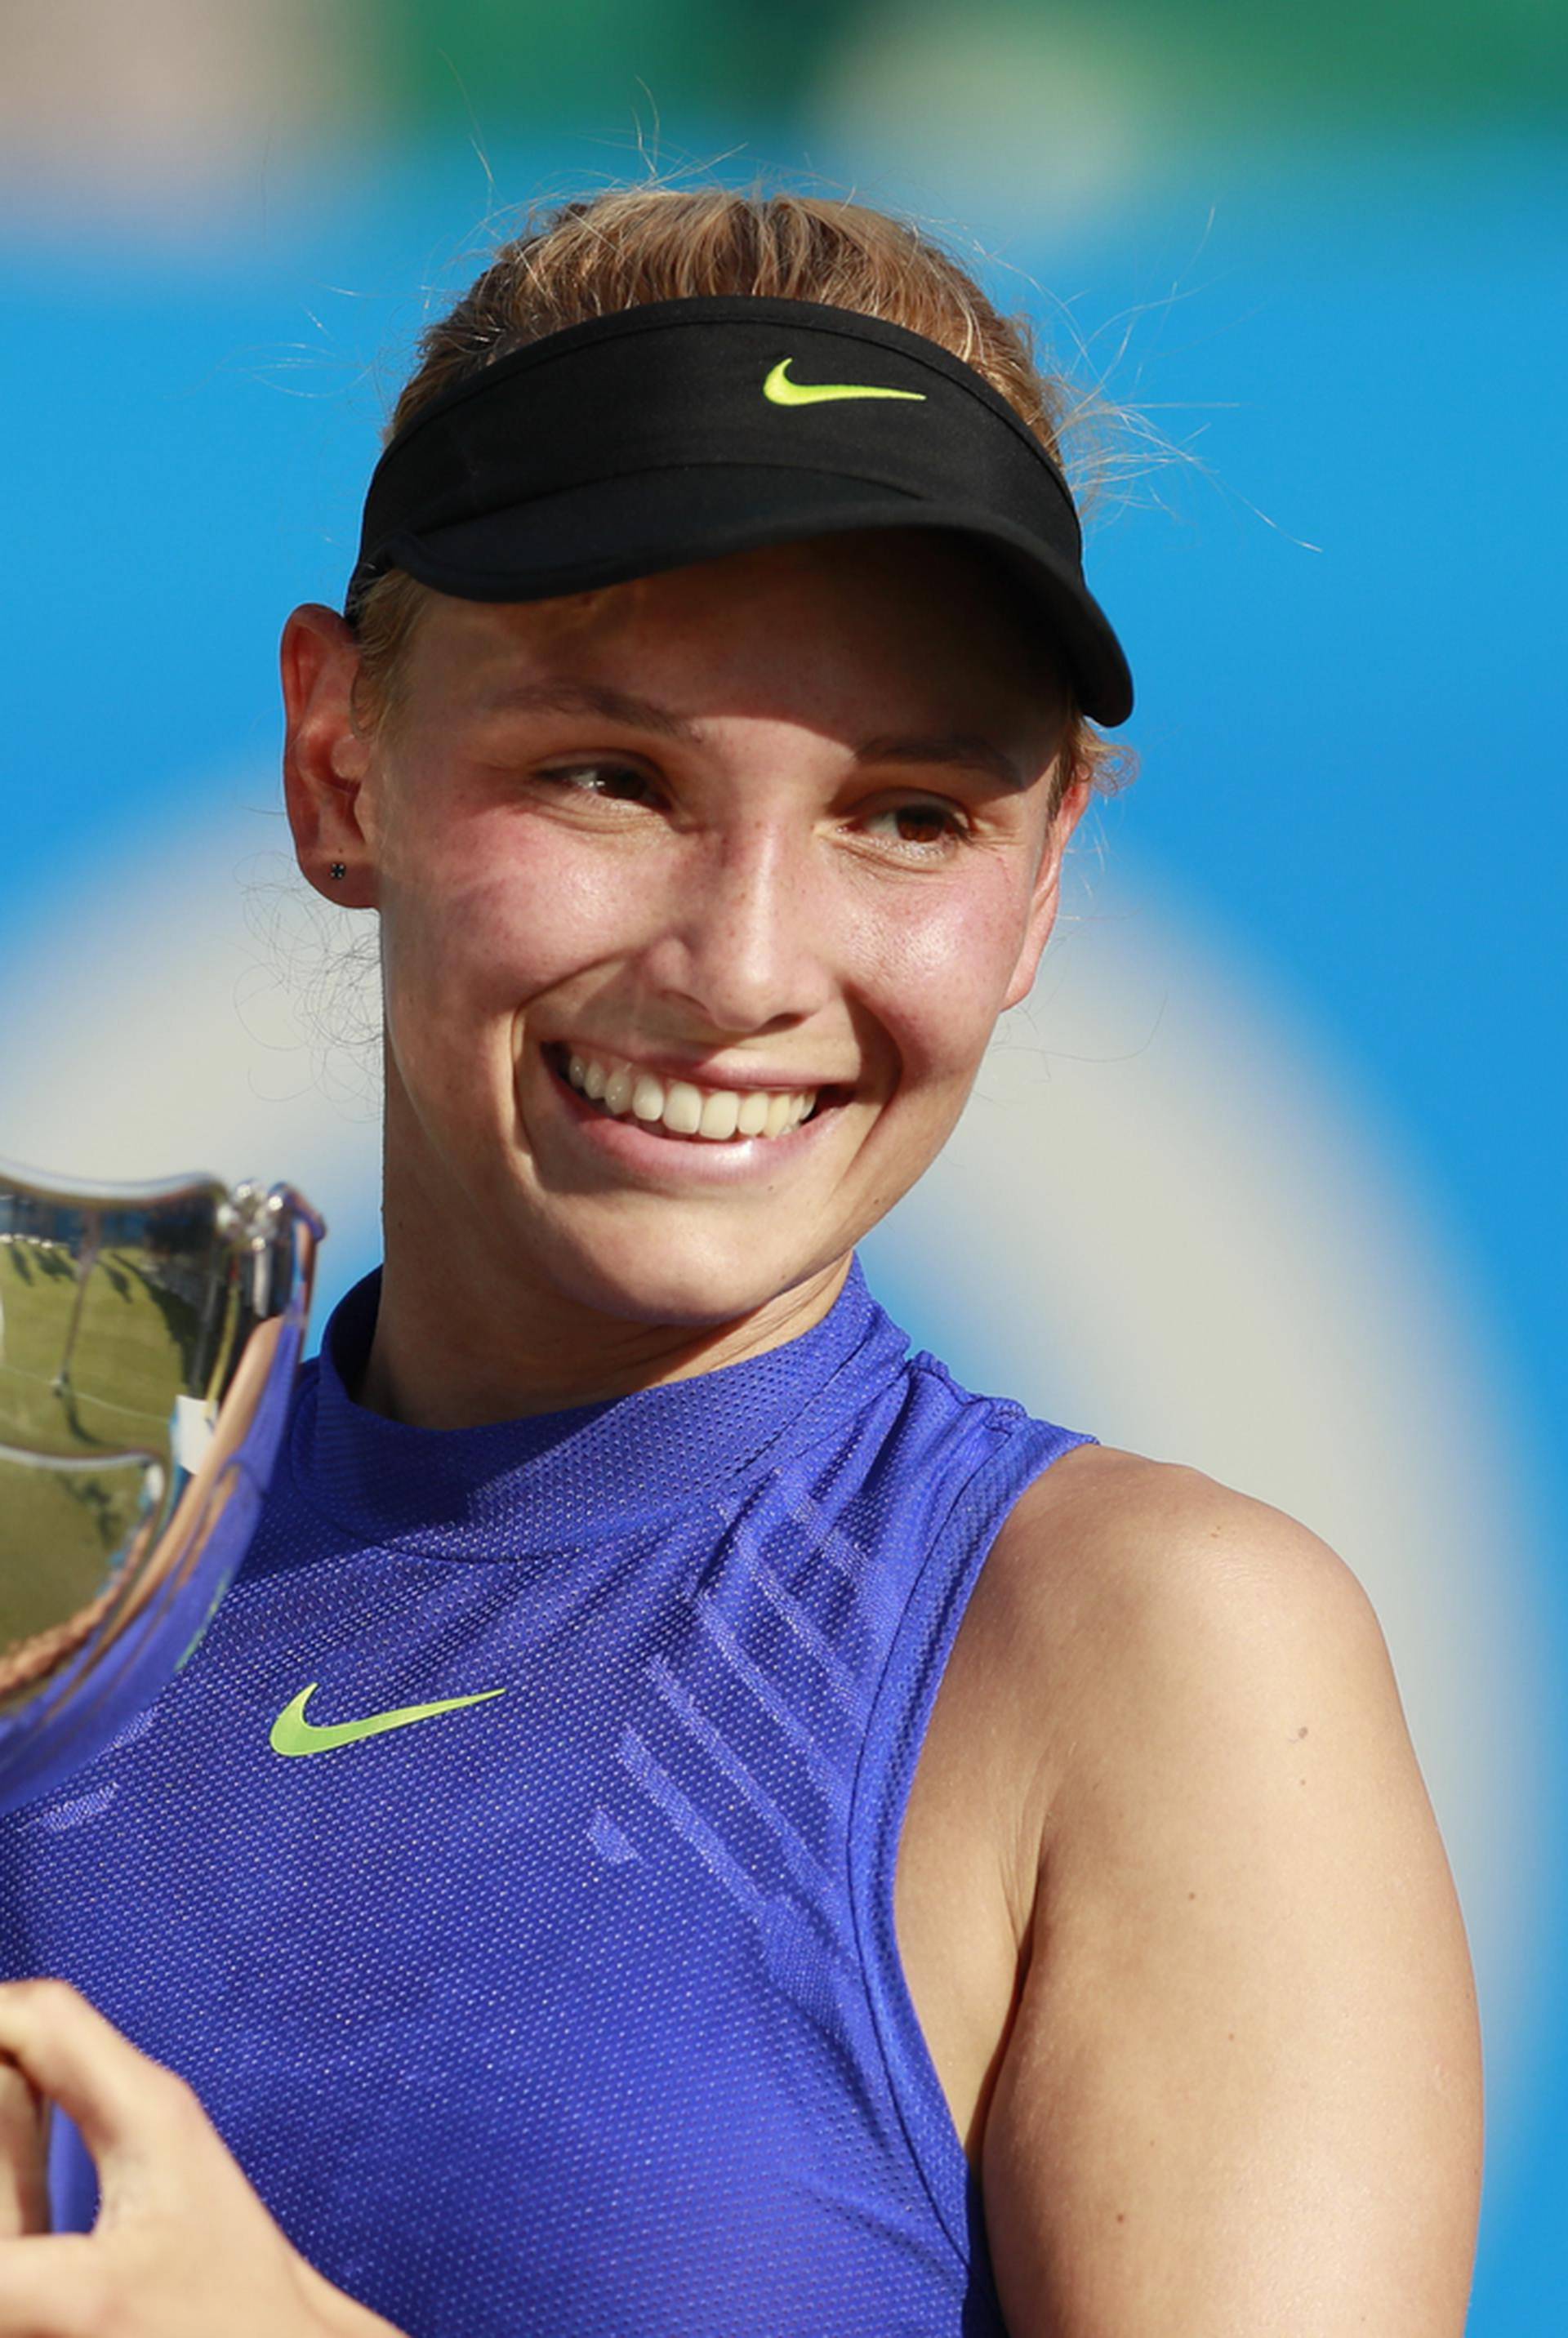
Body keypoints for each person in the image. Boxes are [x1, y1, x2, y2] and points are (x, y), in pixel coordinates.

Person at [0, 183, 1483, 2337]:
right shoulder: (57, 1549)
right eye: (609, 777)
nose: (744, 967)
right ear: (344, 765)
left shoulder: (1147, 1656)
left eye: (909, 815)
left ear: (1050, 870)